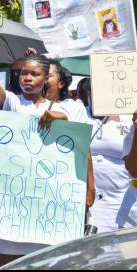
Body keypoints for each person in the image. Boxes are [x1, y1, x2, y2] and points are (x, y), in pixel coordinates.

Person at [0, 10, 69, 267]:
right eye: (23, 74)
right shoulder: (12, 103)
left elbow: (71, 142)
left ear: (46, 79)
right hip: (14, 203)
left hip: (46, 204)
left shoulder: (62, 110)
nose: (27, 78)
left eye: (34, 74)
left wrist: (59, 118)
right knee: (6, 262)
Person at [75, 78, 132, 233]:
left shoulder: (128, 119)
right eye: (94, 93)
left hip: (120, 196)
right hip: (87, 199)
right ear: (88, 95)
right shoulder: (78, 114)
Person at [44, 60, 95, 208]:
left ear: (60, 84)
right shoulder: (26, 106)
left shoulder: (74, 108)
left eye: (48, 75)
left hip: (65, 183)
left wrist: (90, 186)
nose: (43, 79)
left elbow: (84, 148)